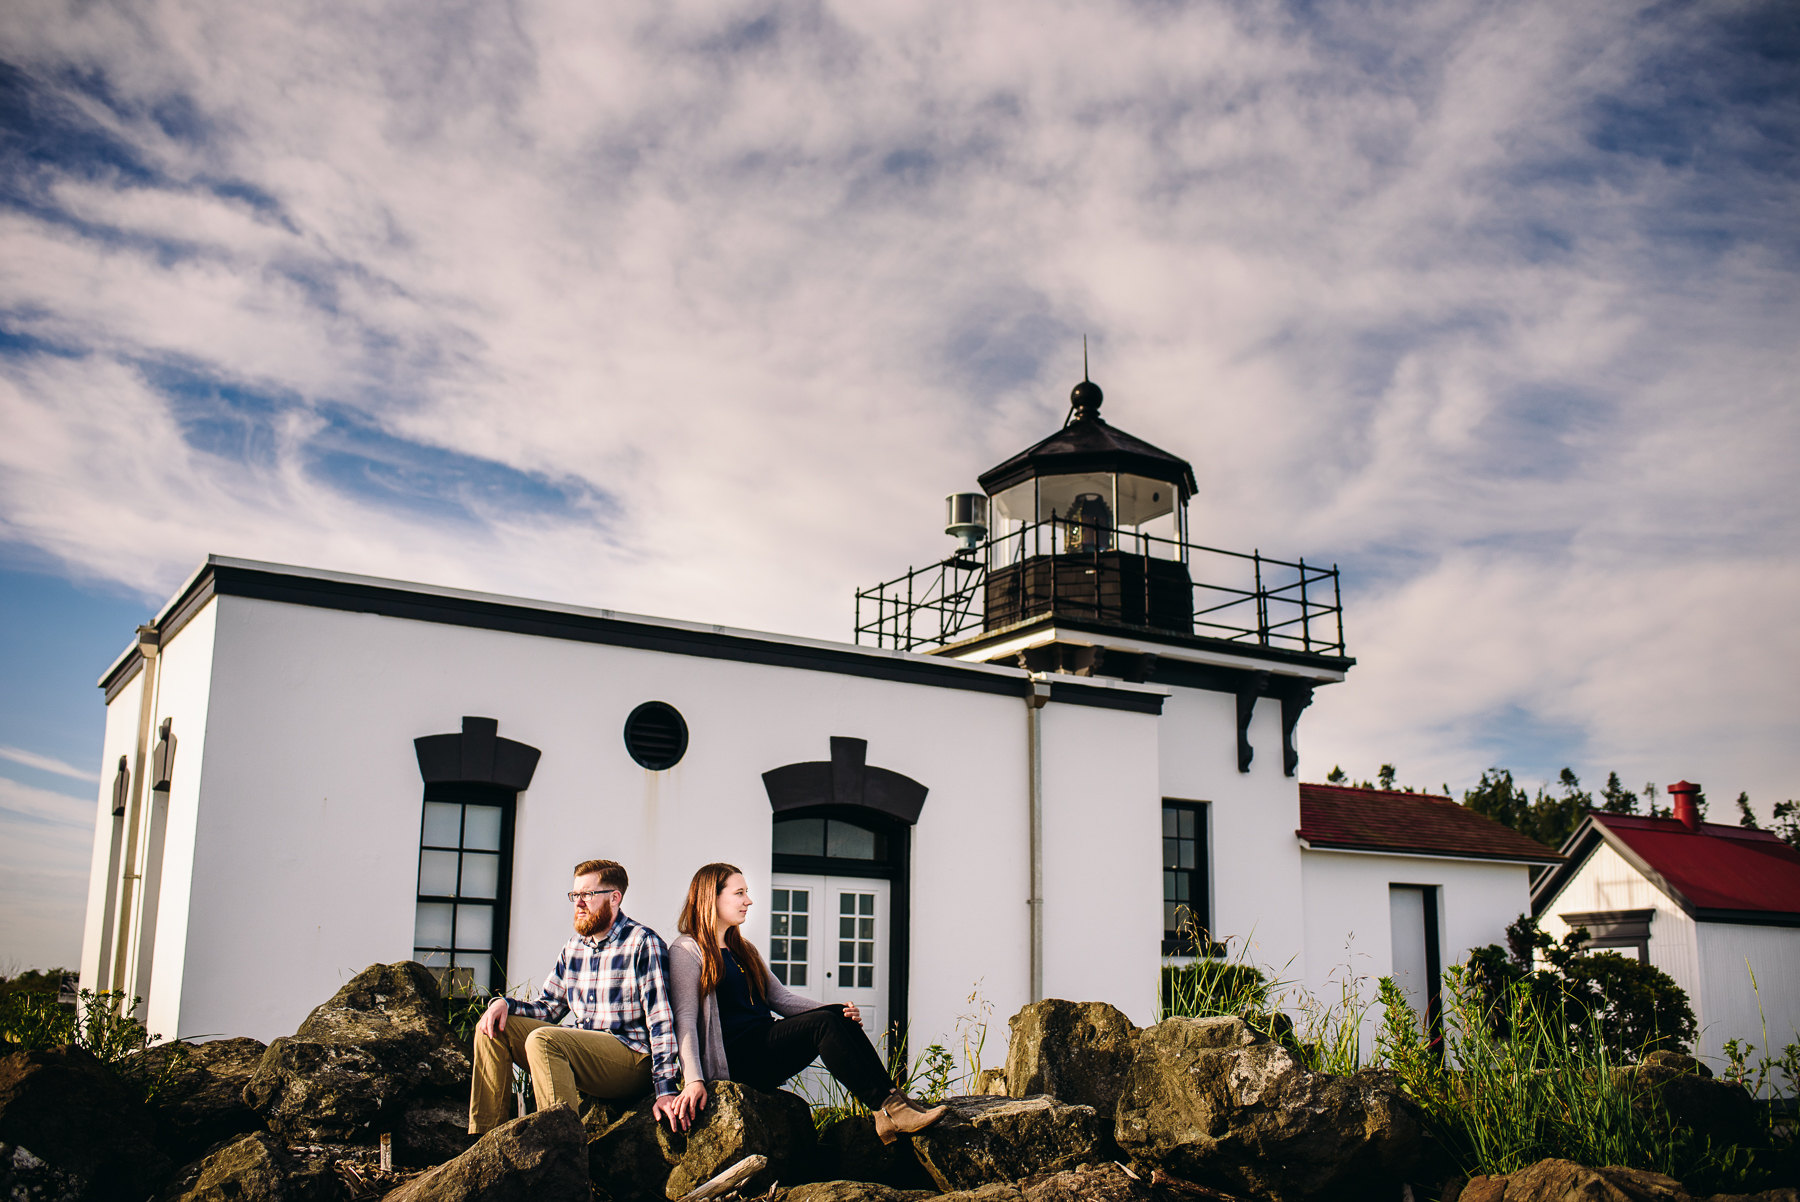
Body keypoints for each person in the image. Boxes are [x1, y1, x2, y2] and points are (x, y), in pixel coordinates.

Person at [664, 862, 946, 1144]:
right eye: (739, 893)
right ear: (710, 898)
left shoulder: (743, 949)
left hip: (764, 1042)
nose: (748, 900)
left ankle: (894, 1106)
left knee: (836, 1015)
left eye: (746, 892)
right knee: (823, 1023)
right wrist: (693, 1080)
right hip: (736, 1059)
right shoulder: (687, 950)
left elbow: (781, 999)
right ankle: (886, 1107)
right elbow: (685, 1018)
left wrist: (839, 1010)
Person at [468, 858, 688, 1134]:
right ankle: (485, 1144)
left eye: (588, 894)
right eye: (575, 895)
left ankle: (561, 1151)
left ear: (614, 898)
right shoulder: (574, 948)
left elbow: (661, 1021)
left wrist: (665, 1088)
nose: (579, 903)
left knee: (544, 1040)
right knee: (492, 1027)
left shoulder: (643, 943)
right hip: (588, 1054)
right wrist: (504, 1004)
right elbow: (549, 1007)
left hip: (633, 1058)